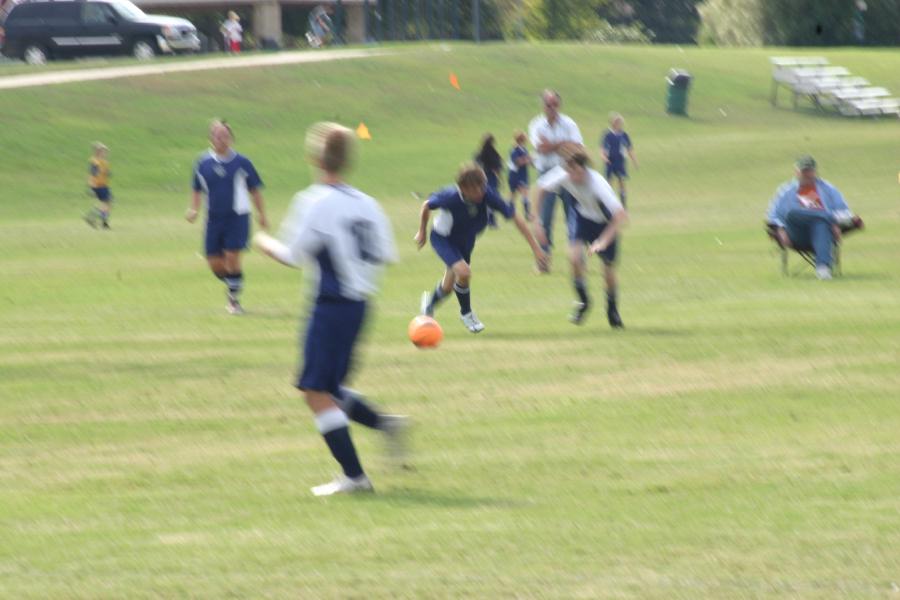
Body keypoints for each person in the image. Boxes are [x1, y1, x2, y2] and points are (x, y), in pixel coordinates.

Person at [253, 122, 404, 496]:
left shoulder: (315, 201)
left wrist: (263, 241)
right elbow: (385, 255)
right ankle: (385, 425)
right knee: (332, 389)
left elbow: (292, 255)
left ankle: (355, 476)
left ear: (315, 157)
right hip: (361, 305)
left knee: (315, 390)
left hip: (332, 305)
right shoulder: (368, 203)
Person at [415, 163, 547, 333]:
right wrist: (422, 232)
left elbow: (516, 218)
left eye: (482, 187)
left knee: (448, 286)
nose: (481, 192)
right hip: (443, 239)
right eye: (476, 190)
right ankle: (466, 313)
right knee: (464, 272)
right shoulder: (450, 196)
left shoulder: (487, 194)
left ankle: (429, 304)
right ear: (463, 188)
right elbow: (426, 205)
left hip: (466, 241)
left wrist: (536, 249)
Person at [534, 145, 628, 328]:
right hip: (581, 217)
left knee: (608, 270)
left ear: (584, 168)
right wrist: (536, 221)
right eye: (569, 171)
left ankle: (612, 310)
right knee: (574, 257)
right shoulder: (564, 173)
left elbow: (620, 216)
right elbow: (540, 188)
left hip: (605, 223)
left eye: (576, 171)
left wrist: (602, 241)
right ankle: (584, 301)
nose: (572, 177)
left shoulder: (597, 183)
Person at [186, 120, 268, 314]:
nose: (221, 139)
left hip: (237, 218)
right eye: (217, 135)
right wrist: (194, 209)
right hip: (213, 219)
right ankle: (235, 282)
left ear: (231, 139)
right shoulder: (203, 163)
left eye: (225, 135)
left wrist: (262, 214)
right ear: (210, 138)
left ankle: (233, 300)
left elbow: (255, 190)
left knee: (232, 257)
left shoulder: (242, 163)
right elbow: (197, 188)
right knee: (214, 262)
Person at [767, 155, 856, 280]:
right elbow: (772, 216)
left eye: (810, 171)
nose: (807, 174)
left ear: (815, 171)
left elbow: (845, 211)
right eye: (804, 171)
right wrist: (780, 230)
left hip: (823, 234)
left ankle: (823, 268)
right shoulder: (785, 191)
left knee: (820, 223)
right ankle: (829, 218)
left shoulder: (828, 189)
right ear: (796, 172)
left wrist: (835, 225)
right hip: (795, 234)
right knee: (792, 213)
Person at [528, 89, 583, 271]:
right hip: (546, 173)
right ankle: (543, 261)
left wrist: (553, 146)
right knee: (545, 218)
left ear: (559, 105)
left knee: (573, 217)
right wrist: (563, 145)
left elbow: (577, 147)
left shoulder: (569, 123)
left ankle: (577, 260)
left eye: (554, 104)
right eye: (548, 104)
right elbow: (540, 148)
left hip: (568, 172)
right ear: (543, 105)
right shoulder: (536, 125)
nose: (551, 108)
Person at [600, 112, 638, 206]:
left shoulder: (624, 135)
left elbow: (629, 148)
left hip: (620, 161)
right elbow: (603, 148)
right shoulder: (607, 134)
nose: (618, 123)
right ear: (612, 122)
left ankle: (623, 205)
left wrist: (634, 160)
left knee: (621, 181)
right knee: (608, 182)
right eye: (616, 121)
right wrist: (604, 157)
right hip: (610, 161)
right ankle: (608, 203)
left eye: (619, 122)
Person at [474, 133, 502, 228]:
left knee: (480, 198)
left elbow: (475, 166)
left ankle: (480, 219)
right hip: (491, 178)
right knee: (491, 198)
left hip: (480, 178)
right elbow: (497, 168)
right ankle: (491, 220)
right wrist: (500, 179)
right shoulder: (494, 154)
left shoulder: (478, 153)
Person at [83, 142, 112, 230]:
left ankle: (102, 222)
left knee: (107, 203)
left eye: (106, 151)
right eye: (104, 151)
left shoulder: (104, 162)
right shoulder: (95, 161)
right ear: (98, 152)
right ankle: (94, 218)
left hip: (104, 185)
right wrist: (91, 186)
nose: (106, 153)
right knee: (106, 203)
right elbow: (92, 174)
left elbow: (106, 173)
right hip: (98, 186)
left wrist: (107, 173)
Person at [507, 130, 533, 221]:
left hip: (522, 174)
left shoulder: (524, 149)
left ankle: (510, 212)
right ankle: (526, 214)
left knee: (515, 195)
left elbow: (528, 161)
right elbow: (517, 162)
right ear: (521, 140)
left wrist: (531, 161)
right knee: (519, 194)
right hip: (516, 175)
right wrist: (528, 160)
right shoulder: (515, 150)